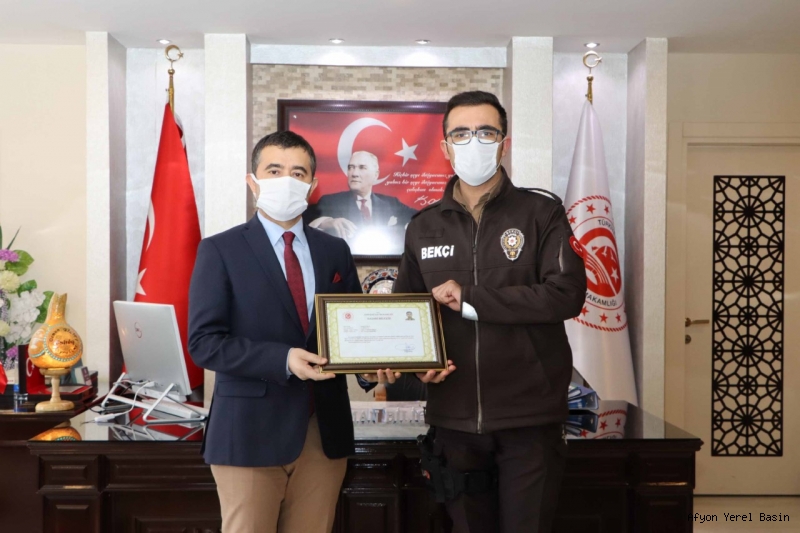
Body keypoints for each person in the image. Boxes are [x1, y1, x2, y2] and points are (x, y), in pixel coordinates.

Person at [391, 90, 587, 533]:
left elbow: (566, 295)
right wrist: (415, 365)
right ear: (445, 147)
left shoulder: (542, 213)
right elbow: (408, 313)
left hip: (530, 417)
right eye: (461, 133)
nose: (473, 142)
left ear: (504, 143)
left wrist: (473, 299)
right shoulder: (423, 225)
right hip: (453, 419)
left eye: (485, 132)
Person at [188, 131, 366, 533]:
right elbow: (204, 343)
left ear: (312, 185)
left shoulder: (334, 251)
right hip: (248, 434)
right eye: (274, 170)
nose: (287, 179)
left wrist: (374, 369)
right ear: (253, 182)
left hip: (323, 433)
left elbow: (352, 329)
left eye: (298, 172)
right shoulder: (220, 250)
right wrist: (283, 359)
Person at [305, 151, 417, 252]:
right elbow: (303, 223)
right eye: (351, 167)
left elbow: (419, 217)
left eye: (362, 167)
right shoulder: (330, 202)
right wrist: (326, 222)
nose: (354, 173)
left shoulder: (391, 203)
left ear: (376, 175)